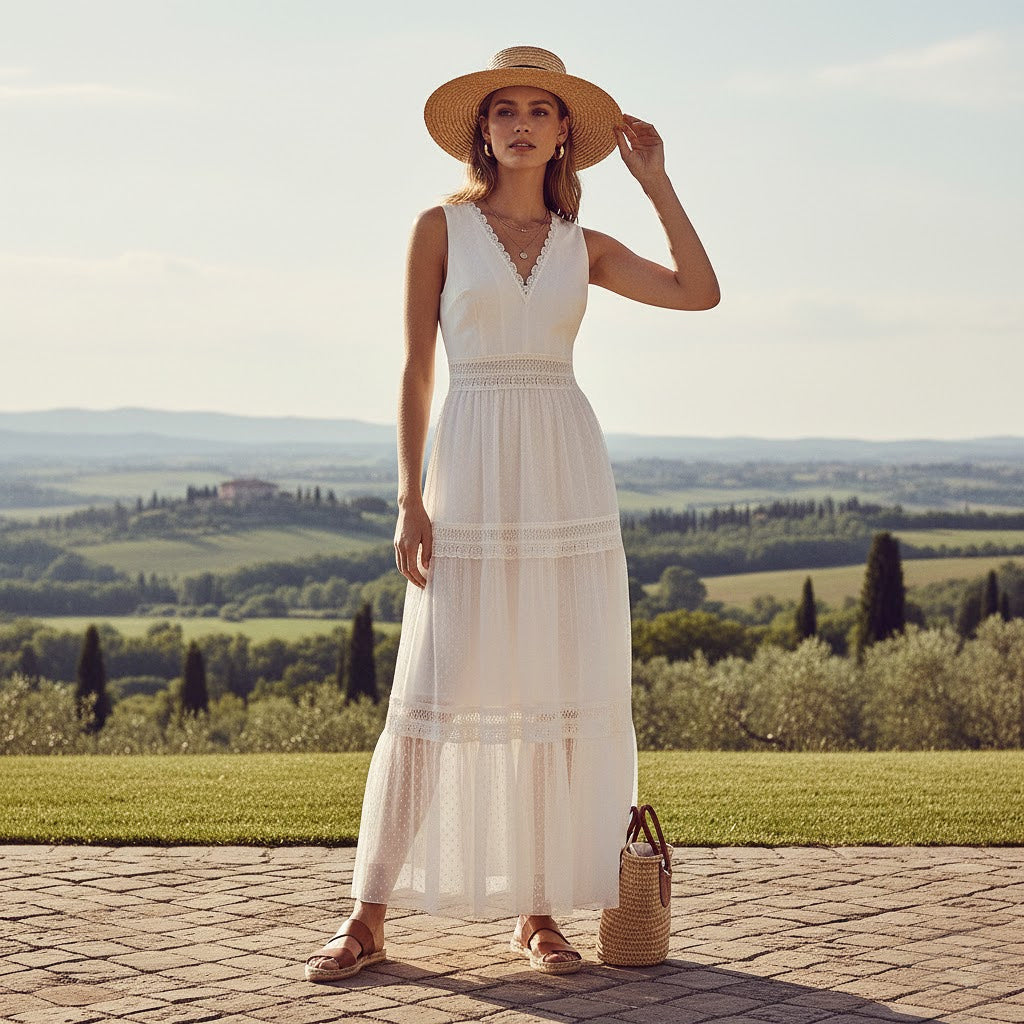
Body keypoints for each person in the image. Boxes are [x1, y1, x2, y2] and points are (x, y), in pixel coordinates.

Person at [304, 44, 718, 982]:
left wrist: (657, 184)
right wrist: (410, 498)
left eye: (540, 109)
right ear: (484, 131)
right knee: (434, 689)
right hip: (473, 462)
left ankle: (537, 913)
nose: (522, 123)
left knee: (549, 688)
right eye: (505, 111)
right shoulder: (441, 229)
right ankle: (367, 915)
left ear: (565, 130)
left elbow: (700, 292)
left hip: (565, 471)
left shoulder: (585, 247)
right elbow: (415, 371)